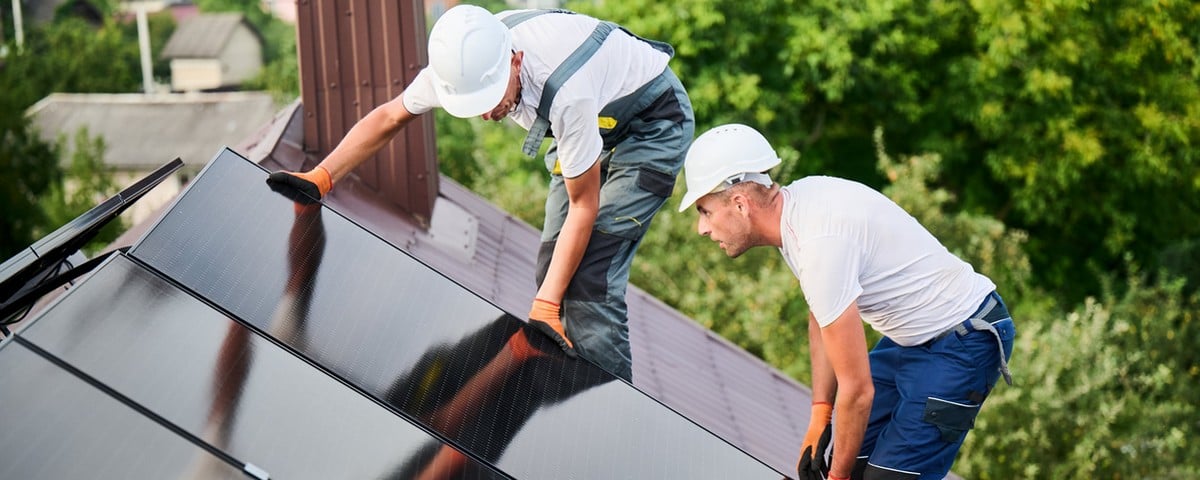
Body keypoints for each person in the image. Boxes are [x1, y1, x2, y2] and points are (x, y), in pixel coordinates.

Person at [266, 4, 694, 382]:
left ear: (516, 60)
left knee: (589, 274)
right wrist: (322, 175)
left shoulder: (567, 92)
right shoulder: (460, 64)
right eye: (476, 106)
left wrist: (544, 308)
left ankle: (613, 406)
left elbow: (584, 205)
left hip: (651, 123)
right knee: (552, 270)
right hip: (591, 123)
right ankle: (568, 378)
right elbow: (389, 117)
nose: (489, 114)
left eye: (492, 100)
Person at [676, 124, 1015, 480]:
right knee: (851, 462)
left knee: (882, 478)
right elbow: (821, 318)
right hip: (909, 340)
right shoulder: (797, 212)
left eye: (705, 211)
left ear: (741, 204)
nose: (702, 228)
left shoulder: (820, 240)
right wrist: (821, 414)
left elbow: (857, 391)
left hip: (964, 339)